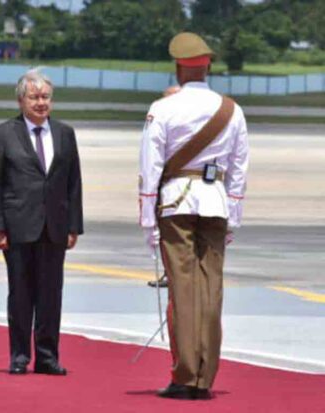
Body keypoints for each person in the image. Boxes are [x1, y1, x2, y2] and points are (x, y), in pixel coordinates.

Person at [138, 32, 249, 399]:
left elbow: (150, 167)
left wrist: (147, 221)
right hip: (215, 203)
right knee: (211, 290)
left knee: (183, 291)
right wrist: (234, 216)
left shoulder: (164, 108)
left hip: (177, 203)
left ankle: (184, 375)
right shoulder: (231, 110)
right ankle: (205, 378)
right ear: (208, 67)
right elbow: (238, 169)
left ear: (178, 68)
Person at [0, 69, 83, 376]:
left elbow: (73, 183)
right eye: (34, 97)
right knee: (21, 294)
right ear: (20, 100)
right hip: (18, 227)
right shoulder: (4, 134)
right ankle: (19, 355)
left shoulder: (65, 134)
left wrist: (73, 226)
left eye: (45, 97)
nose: (41, 103)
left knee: (51, 295)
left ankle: (48, 356)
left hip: (54, 227)